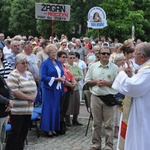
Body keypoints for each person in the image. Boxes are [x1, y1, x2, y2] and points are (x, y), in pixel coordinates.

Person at [112, 42, 150, 150]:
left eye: (135, 54)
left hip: (142, 114)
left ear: (142, 57)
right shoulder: (144, 69)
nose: (133, 56)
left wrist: (121, 73)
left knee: (139, 140)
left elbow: (131, 88)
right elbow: (137, 84)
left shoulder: (147, 72)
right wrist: (130, 76)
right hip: (141, 111)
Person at [85, 44, 118, 150]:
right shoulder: (93, 67)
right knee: (96, 123)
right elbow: (87, 82)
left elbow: (118, 83)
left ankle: (109, 145)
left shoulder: (114, 68)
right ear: (99, 55)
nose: (105, 55)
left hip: (109, 98)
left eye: (108, 53)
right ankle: (96, 144)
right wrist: (95, 81)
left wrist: (106, 83)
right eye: (103, 53)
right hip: (96, 97)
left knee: (109, 124)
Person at [5, 53, 37, 150]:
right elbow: (14, 92)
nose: (25, 65)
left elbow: (35, 88)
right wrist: (29, 98)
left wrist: (33, 97)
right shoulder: (13, 75)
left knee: (23, 133)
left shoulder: (29, 74)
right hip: (17, 110)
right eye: (23, 63)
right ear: (17, 64)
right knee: (15, 133)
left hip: (28, 109)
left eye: (26, 62)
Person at [40, 44, 65, 137]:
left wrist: (62, 78)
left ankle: (54, 127)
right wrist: (55, 79)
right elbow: (43, 77)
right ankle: (47, 129)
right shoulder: (45, 63)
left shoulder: (58, 62)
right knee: (48, 108)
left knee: (55, 108)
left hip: (57, 88)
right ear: (48, 53)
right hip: (48, 89)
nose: (54, 54)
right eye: (52, 52)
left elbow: (61, 73)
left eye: (55, 52)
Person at [57, 51, 76, 134]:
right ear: (58, 58)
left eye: (65, 57)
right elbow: (62, 79)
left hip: (68, 89)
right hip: (62, 90)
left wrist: (73, 82)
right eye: (63, 57)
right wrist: (70, 84)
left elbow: (71, 76)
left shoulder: (66, 67)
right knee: (61, 108)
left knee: (65, 107)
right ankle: (59, 125)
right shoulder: (57, 67)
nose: (64, 58)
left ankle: (62, 124)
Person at [65, 52, 82, 126]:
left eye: (73, 58)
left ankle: (75, 119)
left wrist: (77, 77)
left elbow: (81, 75)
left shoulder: (76, 66)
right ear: (67, 59)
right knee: (68, 104)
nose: (72, 59)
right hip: (69, 87)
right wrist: (72, 79)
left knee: (76, 103)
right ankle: (67, 120)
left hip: (76, 87)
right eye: (70, 58)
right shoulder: (65, 66)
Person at [0, 76, 13, 150]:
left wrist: (10, 101)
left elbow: (9, 89)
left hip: (5, 112)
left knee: (2, 137)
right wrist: (8, 102)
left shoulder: (0, 78)